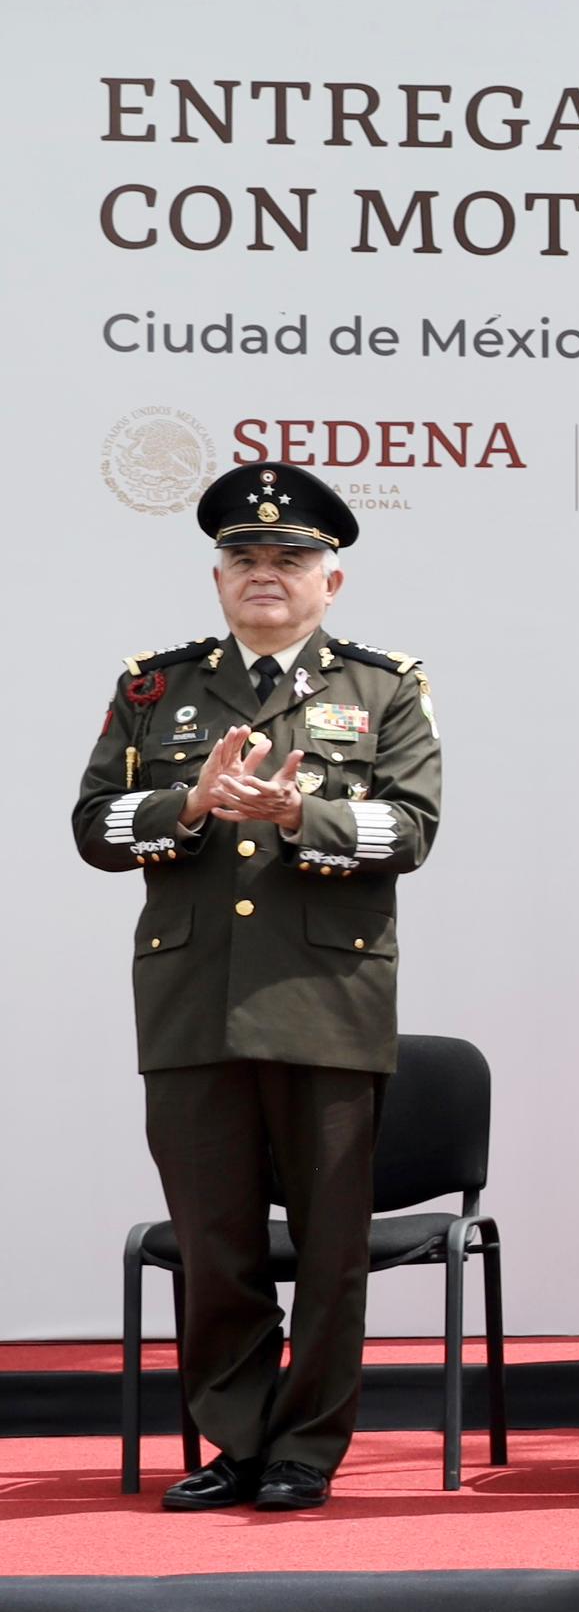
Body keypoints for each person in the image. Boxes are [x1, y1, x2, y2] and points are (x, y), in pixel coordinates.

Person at [74, 463, 440, 1512]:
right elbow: (94, 827)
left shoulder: (384, 689)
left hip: (328, 1005)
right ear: (219, 576)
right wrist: (185, 803)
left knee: (330, 1252)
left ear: (333, 582)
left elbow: (410, 831)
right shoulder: (156, 686)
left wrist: (298, 819)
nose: (266, 573)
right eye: (246, 559)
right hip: (192, 1005)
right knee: (217, 1244)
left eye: (290, 559)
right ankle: (234, 1439)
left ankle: (305, 1450)